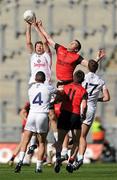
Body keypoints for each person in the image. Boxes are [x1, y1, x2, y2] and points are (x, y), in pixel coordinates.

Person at [37, 20, 105, 87]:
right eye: (72, 42)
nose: (71, 43)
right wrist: (40, 27)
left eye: (74, 44)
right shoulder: (60, 49)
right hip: (59, 83)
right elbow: (48, 39)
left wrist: (98, 58)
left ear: (76, 49)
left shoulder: (77, 57)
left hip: (69, 84)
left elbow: (90, 65)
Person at [70, 59, 110, 172]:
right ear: (97, 69)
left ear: (88, 67)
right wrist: (97, 99)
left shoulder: (83, 77)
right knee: (82, 136)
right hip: (91, 108)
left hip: (80, 106)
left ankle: (68, 155)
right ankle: (80, 158)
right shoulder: (101, 81)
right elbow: (107, 98)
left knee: (75, 135)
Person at [14, 71, 56, 173]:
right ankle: (38, 167)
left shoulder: (31, 88)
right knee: (41, 142)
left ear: (35, 79)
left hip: (32, 115)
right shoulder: (49, 87)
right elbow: (59, 93)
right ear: (44, 79)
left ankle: (20, 161)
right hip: (42, 115)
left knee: (25, 141)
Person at [54, 70, 88, 173]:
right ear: (83, 80)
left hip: (64, 113)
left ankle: (59, 157)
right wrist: (84, 114)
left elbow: (58, 98)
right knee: (76, 141)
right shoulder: (83, 91)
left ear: (73, 77)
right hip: (75, 115)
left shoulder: (65, 87)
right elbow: (84, 105)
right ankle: (71, 161)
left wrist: (54, 102)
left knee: (59, 140)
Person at [8, 101, 31, 166]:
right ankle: (15, 158)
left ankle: (14, 158)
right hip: (27, 126)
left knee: (26, 143)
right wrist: (27, 120)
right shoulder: (30, 103)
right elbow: (21, 112)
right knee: (24, 143)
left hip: (31, 126)